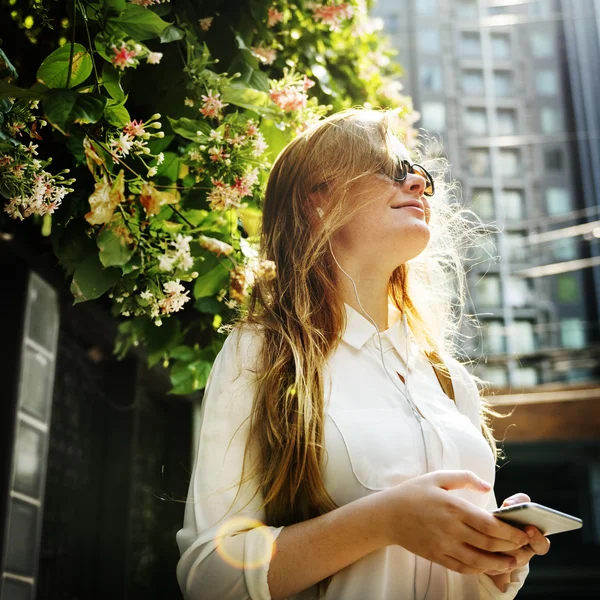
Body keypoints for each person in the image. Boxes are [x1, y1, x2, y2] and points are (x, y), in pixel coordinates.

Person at [175, 108, 551, 600]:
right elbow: (208, 579)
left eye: (419, 174)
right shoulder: (262, 354)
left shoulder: (448, 379)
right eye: (392, 170)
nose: (416, 182)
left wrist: (497, 562)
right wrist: (383, 522)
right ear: (318, 201)